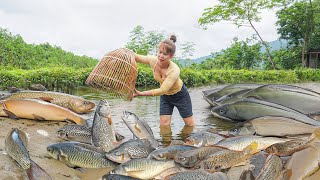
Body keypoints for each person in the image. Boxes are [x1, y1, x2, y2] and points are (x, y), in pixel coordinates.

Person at [133, 34, 196, 127]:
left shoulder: (174, 70)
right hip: (166, 97)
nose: (161, 56)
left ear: (171, 56)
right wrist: (125, 52)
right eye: (160, 52)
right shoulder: (153, 60)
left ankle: (194, 140)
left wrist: (141, 94)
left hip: (180, 95)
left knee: (189, 124)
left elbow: (162, 90)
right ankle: (166, 142)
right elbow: (137, 57)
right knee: (164, 124)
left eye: (165, 54)